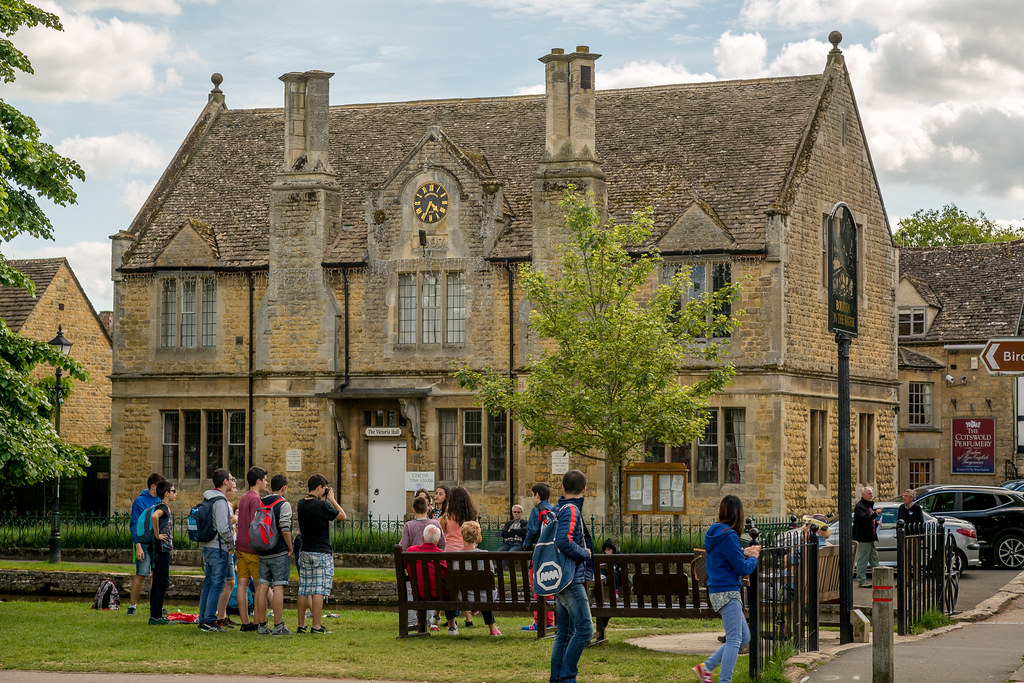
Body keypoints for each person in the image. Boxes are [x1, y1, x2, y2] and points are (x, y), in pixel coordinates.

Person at [692, 495, 760, 683]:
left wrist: (742, 552)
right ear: (738, 514)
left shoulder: (714, 532)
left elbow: (724, 557)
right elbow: (742, 569)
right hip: (728, 592)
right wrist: (753, 557)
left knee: (744, 637)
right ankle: (724, 680)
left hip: (717, 590)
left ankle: (705, 668)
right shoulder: (729, 536)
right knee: (734, 640)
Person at [549, 469, 594, 683]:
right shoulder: (571, 510)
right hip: (570, 579)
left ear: (562, 487)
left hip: (560, 577)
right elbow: (563, 541)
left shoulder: (557, 509)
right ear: (584, 489)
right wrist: (585, 553)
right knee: (585, 629)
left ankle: (557, 678)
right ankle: (567, 677)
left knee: (564, 632)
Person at [296, 474, 346, 634]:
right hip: (321, 552)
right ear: (319, 487)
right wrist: (331, 499)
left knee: (304, 588)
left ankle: (301, 625)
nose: (325, 491)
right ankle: (316, 626)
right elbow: (342, 516)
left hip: (305, 550)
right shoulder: (322, 506)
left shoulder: (301, 504)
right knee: (318, 589)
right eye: (324, 489)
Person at [255, 474, 294, 636]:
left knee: (263, 585)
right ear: (284, 487)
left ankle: (262, 625)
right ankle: (278, 626)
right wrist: (290, 548)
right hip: (278, 551)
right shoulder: (283, 504)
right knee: (278, 585)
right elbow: (285, 528)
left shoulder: (262, 502)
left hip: (263, 550)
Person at [400, 496, 446, 629]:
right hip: (433, 566)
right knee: (434, 588)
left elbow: (403, 546)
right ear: (427, 509)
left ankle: (413, 621)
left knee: (412, 590)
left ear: (413, 510)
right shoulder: (435, 524)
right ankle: (432, 623)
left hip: (416, 567)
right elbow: (442, 543)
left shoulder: (409, 525)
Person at [198, 468, 235, 632]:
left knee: (208, 583)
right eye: (231, 478)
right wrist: (231, 544)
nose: (233, 481)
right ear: (225, 482)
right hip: (219, 547)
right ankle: (210, 621)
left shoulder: (208, 498)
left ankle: (203, 618)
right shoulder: (220, 501)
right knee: (217, 585)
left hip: (208, 546)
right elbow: (222, 527)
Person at [406, 524, 458, 633]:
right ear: (438, 540)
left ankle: (426, 621)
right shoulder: (443, 557)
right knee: (450, 590)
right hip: (439, 595)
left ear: (422, 538)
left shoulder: (411, 551)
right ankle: (452, 626)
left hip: (419, 594)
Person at [235, 466, 268, 632]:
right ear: (258, 481)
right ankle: (257, 620)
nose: (266, 483)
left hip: (240, 545)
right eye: (265, 480)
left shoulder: (243, 497)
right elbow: (257, 524)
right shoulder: (256, 499)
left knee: (242, 583)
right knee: (260, 584)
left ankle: (244, 621)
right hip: (251, 547)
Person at [127, 472, 165, 616]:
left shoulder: (160, 500)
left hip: (156, 544)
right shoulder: (140, 501)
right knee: (141, 574)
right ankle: (132, 606)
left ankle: (156, 606)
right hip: (143, 543)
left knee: (156, 575)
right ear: (153, 486)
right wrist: (137, 546)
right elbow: (134, 525)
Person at [458, 521, 502, 636]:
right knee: (486, 592)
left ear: (462, 535)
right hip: (483, 595)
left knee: (482, 591)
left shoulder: (455, 556)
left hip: (463, 596)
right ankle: (492, 629)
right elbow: (490, 577)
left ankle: (452, 627)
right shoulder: (484, 555)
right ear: (478, 537)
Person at [522, 482, 556, 632]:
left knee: (537, 587)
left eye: (532, 495)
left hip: (538, 553)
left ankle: (538, 620)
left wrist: (525, 546)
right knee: (549, 586)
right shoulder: (553, 510)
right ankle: (550, 620)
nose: (531, 498)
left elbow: (533, 530)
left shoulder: (537, 510)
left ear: (537, 495)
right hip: (551, 553)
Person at [147, 480, 177, 625]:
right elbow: (154, 517)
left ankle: (156, 614)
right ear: (166, 494)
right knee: (161, 581)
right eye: (173, 491)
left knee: (159, 581)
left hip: (160, 549)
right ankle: (156, 616)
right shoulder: (163, 508)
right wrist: (158, 534)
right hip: (161, 550)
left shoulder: (163, 507)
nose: (175, 493)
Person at [215, 474, 240, 628]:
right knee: (227, 582)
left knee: (228, 582)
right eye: (233, 483)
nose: (235, 488)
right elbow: (222, 526)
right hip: (225, 547)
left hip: (229, 547)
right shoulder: (223, 504)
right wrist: (233, 520)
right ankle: (219, 616)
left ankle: (222, 615)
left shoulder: (227, 503)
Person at [854, 485, 880, 587]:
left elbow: (869, 520)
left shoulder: (868, 506)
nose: (871, 495)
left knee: (874, 558)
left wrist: (876, 523)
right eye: (869, 494)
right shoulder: (860, 506)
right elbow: (864, 520)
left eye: (872, 494)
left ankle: (879, 578)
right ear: (864, 494)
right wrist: (875, 514)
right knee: (863, 559)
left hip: (870, 537)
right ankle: (861, 580)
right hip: (863, 538)